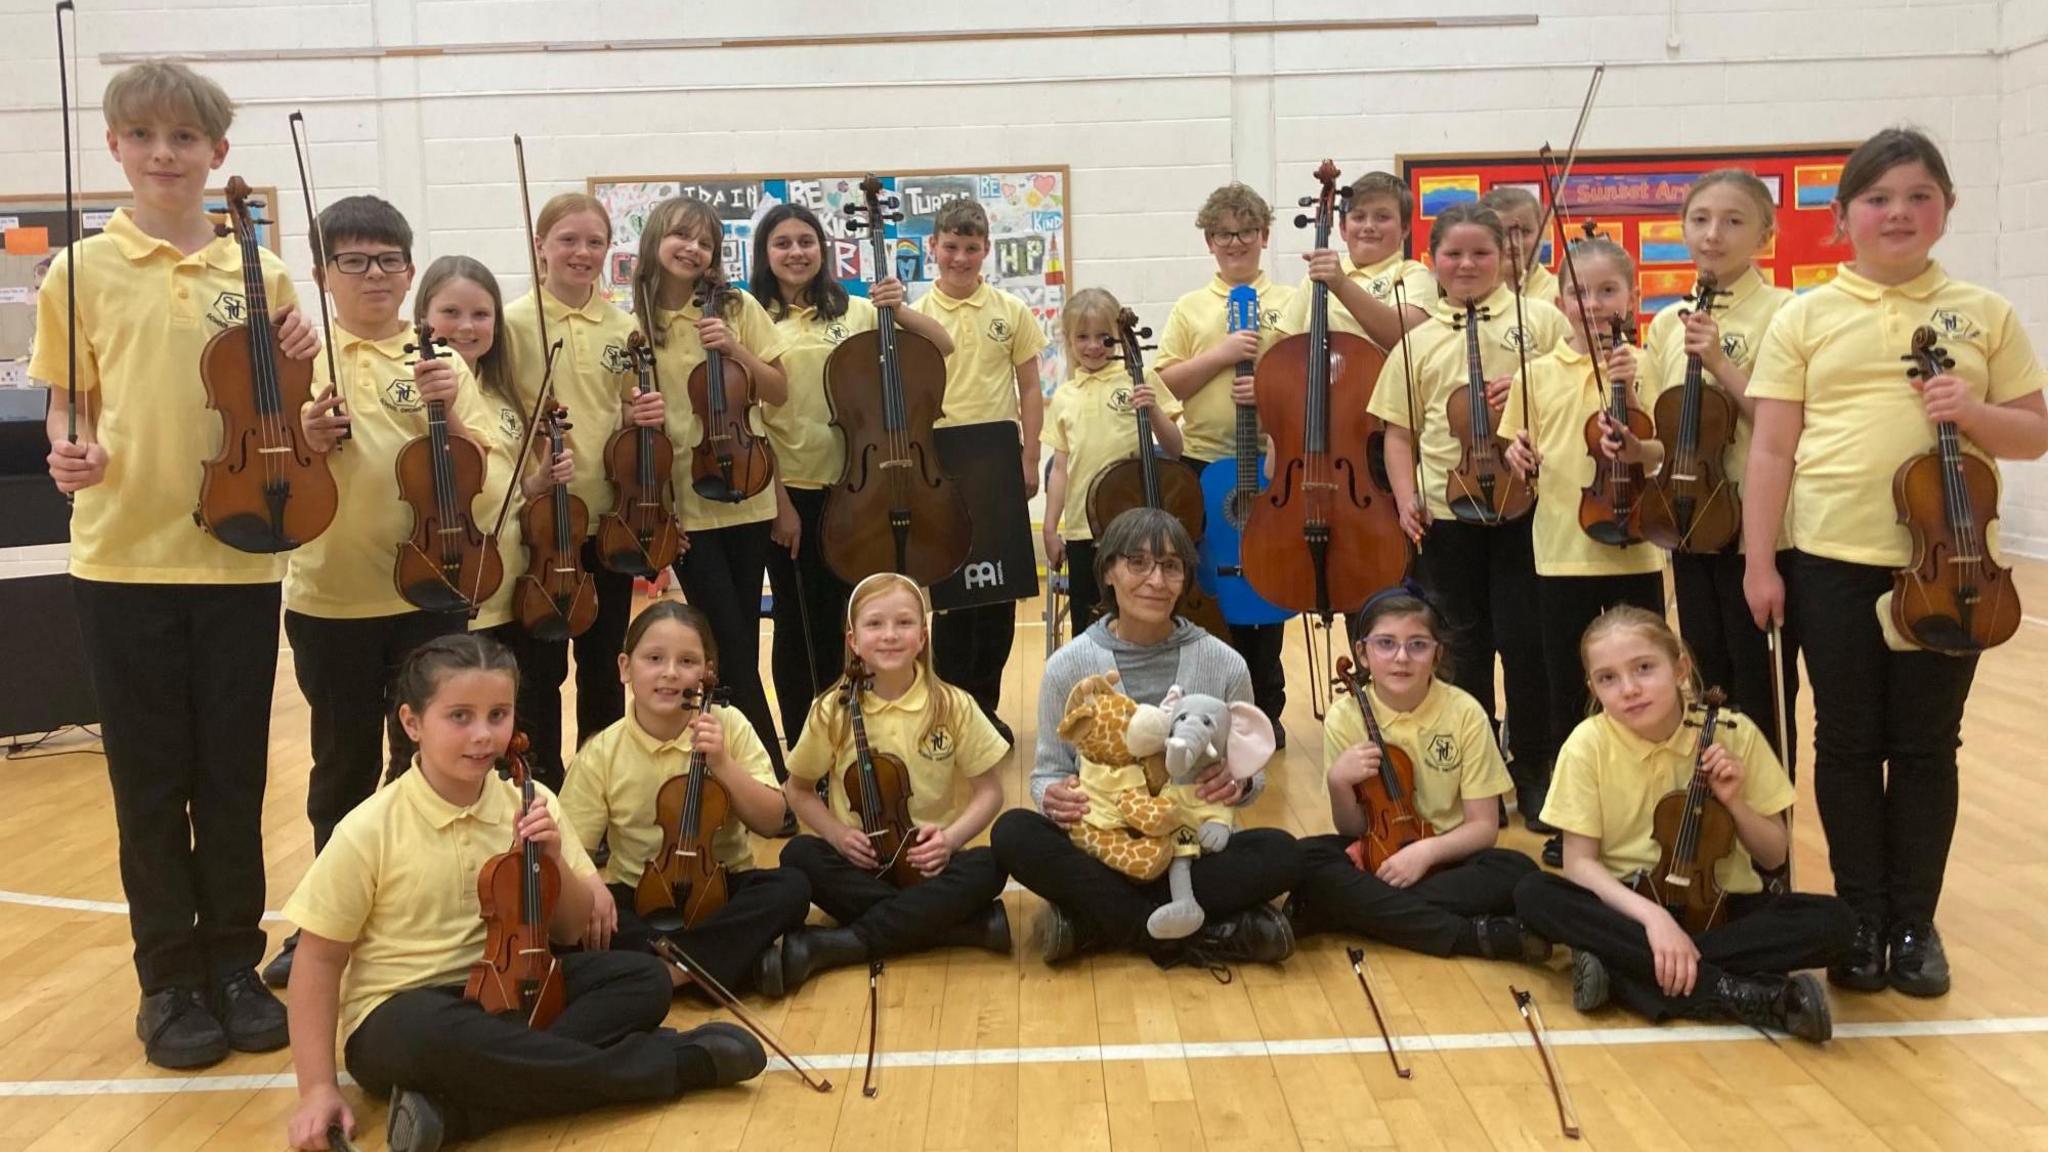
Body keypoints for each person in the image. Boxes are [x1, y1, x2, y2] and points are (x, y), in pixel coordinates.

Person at [33, 59, 316, 1068]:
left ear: (215, 154)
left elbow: (282, 406)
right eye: (144, 136)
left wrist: (305, 351)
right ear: (115, 146)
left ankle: (235, 965)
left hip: (238, 557)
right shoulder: (76, 272)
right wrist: (70, 446)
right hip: (119, 562)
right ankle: (169, 982)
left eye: (183, 139)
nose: (164, 154)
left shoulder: (262, 270)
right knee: (149, 782)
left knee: (233, 777)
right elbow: (71, 400)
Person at [1743, 127, 2048, 997]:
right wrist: (1761, 564)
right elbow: (1771, 449)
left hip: (1953, 568)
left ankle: (1916, 922)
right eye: (1878, 199)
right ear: (1844, 218)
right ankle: (1862, 919)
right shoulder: (1806, 315)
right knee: (1844, 743)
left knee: (1925, 747)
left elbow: (2035, 432)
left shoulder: (1983, 314)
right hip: (1833, 560)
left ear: (1945, 209)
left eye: (1918, 196)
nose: (1899, 213)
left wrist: (1973, 411)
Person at [282, 634, 763, 1151]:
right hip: (412, 1012)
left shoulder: (532, 801)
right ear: (411, 723)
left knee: (643, 979)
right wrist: (317, 1089)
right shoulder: (369, 827)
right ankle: (664, 1066)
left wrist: (554, 858)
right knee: (424, 1034)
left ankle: (462, 1113)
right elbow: (319, 960)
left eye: (498, 714)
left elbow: (575, 930)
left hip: (514, 996)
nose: (483, 735)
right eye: (460, 716)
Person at [267, 196, 505, 990]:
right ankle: (325, 923)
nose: (374, 275)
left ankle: (423, 915)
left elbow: (489, 470)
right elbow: (272, 479)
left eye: (388, 260)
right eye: (354, 261)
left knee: (425, 763)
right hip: (331, 594)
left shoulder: (439, 359)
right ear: (322, 272)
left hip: (432, 587)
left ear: (409, 269)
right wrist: (304, 441)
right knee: (341, 763)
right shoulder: (300, 358)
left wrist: (452, 416)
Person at [1512, 607, 1853, 1042]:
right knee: (1534, 893)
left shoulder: (1735, 732)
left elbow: (1773, 854)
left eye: (1644, 668)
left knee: (1836, 921)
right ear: (1593, 688)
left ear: (1680, 668)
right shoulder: (1587, 745)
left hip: (1721, 907)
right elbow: (1579, 864)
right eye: (1608, 679)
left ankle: (1625, 971)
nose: (1629, 689)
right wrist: (1656, 923)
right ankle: (1742, 993)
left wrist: (1735, 802)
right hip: (1631, 909)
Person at [993, 507, 1300, 973]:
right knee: (1013, 832)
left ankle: (1095, 925)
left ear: (1185, 579)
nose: (1156, 579)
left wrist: (1239, 784)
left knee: (1283, 852)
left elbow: (1249, 775)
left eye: (1171, 566)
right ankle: (1199, 933)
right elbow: (1049, 772)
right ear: (1109, 572)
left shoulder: (1224, 663)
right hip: (1105, 846)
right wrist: (1051, 797)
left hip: (1190, 847)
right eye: (1137, 563)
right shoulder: (1070, 666)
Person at [1368, 202, 1569, 833]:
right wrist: (1405, 499)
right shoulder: (1417, 342)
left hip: (1525, 507)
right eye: (1453, 254)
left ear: (1507, 258)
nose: (1467, 264)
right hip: (1444, 514)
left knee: (1527, 642)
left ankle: (1537, 768)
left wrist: (1531, 397)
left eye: (1482, 252)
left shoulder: (1540, 322)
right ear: (1432, 263)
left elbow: (1572, 398)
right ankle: (1477, 779)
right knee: (1462, 646)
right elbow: (1397, 435)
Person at [751, 202, 954, 745]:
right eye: (783, 243)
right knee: (799, 630)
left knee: (858, 626)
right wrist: (780, 505)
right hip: (792, 491)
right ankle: (805, 748)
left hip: (861, 493)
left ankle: (863, 742)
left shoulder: (856, 309)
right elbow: (752, 419)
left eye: (806, 241)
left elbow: (942, 345)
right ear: (765, 254)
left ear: (823, 250)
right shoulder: (753, 317)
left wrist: (901, 311)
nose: (796, 252)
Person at [1500, 233, 1667, 857]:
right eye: (1578, 292)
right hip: (1562, 549)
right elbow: (1521, 457)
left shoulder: (1646, 366)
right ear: (1559, 299)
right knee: (1567, 687)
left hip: (1636, 543)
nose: (1593, 305)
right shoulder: (1537, 371)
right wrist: (1516, 454)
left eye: (1607, 291)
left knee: (1647, 683)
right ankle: (1577, 823)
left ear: (1633, 295)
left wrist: (1637, 406)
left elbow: (1665, 449)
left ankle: (1651, 810)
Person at [777, 573, 1013, 992]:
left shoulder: (953, 704)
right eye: (875, 624)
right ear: (853, 639)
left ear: (922, 636)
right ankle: (959, 928)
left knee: (991, 863)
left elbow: (991, 791)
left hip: (928, 866)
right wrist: (836, 836)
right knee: (799, 854)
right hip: (861, 868)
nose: (890, 635)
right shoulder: (830, 709)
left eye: (904, 623)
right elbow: (797, 789)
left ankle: (842, 943)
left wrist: (951, 840)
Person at [1286, 587, 1548, 961]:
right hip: (1379, 855)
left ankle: (1351, 911)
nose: (1401, 658)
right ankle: (1467, 935)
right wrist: (1338, 783)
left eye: (1418, 645)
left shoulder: (1465, 712)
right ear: (1363, 652)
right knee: (1305, 857)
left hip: (1448, 856)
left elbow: (1483, 827)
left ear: (1437, 653)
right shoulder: (1345, 717)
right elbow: (1352, 828)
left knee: (1516, 871)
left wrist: (1425, 853)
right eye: (1386, 644)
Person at [566, 601, 811, 998]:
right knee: (578, 919)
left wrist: (723, 764)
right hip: (641, 897)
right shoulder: (602, 752)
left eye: (687, 661)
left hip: (724, 888)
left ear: (707, 672)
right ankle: (732, 963)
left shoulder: (729, 724)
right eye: (654, 658)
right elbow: (571, 850)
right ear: (626, 667)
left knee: (792, 886)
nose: (669, 672)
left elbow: (772, 820)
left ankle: (667, 975)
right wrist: (591, 889)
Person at [1638, 170, 1799, 766]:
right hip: (1689, 520)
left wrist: (1721, 362)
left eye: (1734, 221)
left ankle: (1771, 833)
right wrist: (1632, 448)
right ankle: (1714, 813)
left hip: (1762, 531)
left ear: (1765, 232)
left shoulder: (1786, 314)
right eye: (1701, 219)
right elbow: (1665, 440)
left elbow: (1788, 424)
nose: (1713, 234)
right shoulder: (1664, 323)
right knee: (1706, 679)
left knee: (1763, 686)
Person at [631, 195, 793, 777]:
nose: (692, 249)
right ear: (655, 240)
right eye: (681, 235)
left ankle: (742, 767)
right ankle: (766, 771)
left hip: (747, 494)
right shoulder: (637, 323)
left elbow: (777, 391)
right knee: (724, 640)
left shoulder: (736, 305)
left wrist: (735, 348)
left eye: (705, 242)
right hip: (686, 504)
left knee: (740, 640)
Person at [503, 193, 646, 786]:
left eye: (594, 242)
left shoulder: (623, 326)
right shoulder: (511, 322)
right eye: (568, 240)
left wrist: (642, 418)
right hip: (537, 527)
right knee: (537, 671)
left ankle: (598, 789)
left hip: (607, 522)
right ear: (540, 247)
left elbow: (626, 414)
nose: (582, 253)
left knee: (602, 668)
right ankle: (543, 791)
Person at [1153, 182, 1299, 736]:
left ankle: (1266, 707)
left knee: (1265, 583)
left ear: (1264, 235)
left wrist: (1268, 390)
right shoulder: (1191, 309)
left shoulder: (1292, 301)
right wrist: (1221, 355)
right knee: (1210, 588)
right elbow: (1166, 384)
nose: (1234, 241)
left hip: (1270, 466)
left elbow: (1309, 377)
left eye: (1245, 231)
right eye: (1222, 234)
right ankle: (1210, 706)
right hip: (1202, 464)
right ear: (1209, 241)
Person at [908, 198, 1048, 744]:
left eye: (971, 248)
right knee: (950, 595)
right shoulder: (918, 314)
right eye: (951, 247)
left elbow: (1030, 387)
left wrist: (1029, 456)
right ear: (934, 249)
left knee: (997, 593)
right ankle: (952, 710)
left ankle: (984, 709)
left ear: (985, 250)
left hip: (995, 459)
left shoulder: (1010, 311)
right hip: (940, 461)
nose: (960, 258)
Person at [1042, 286, 1185, 630]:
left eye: (1104, 338)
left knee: (1136, 617)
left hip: (1134, 522)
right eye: (1083, 337)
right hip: (1083, 529)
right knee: (1087, 622)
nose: (1093, 346)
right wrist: (1049, 527)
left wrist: (1152, 410)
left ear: (1120, 337)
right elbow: (1060, 469)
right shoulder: (1064, 396)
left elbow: (1176, 447)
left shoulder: (1137, 379)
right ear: (1069, 340)